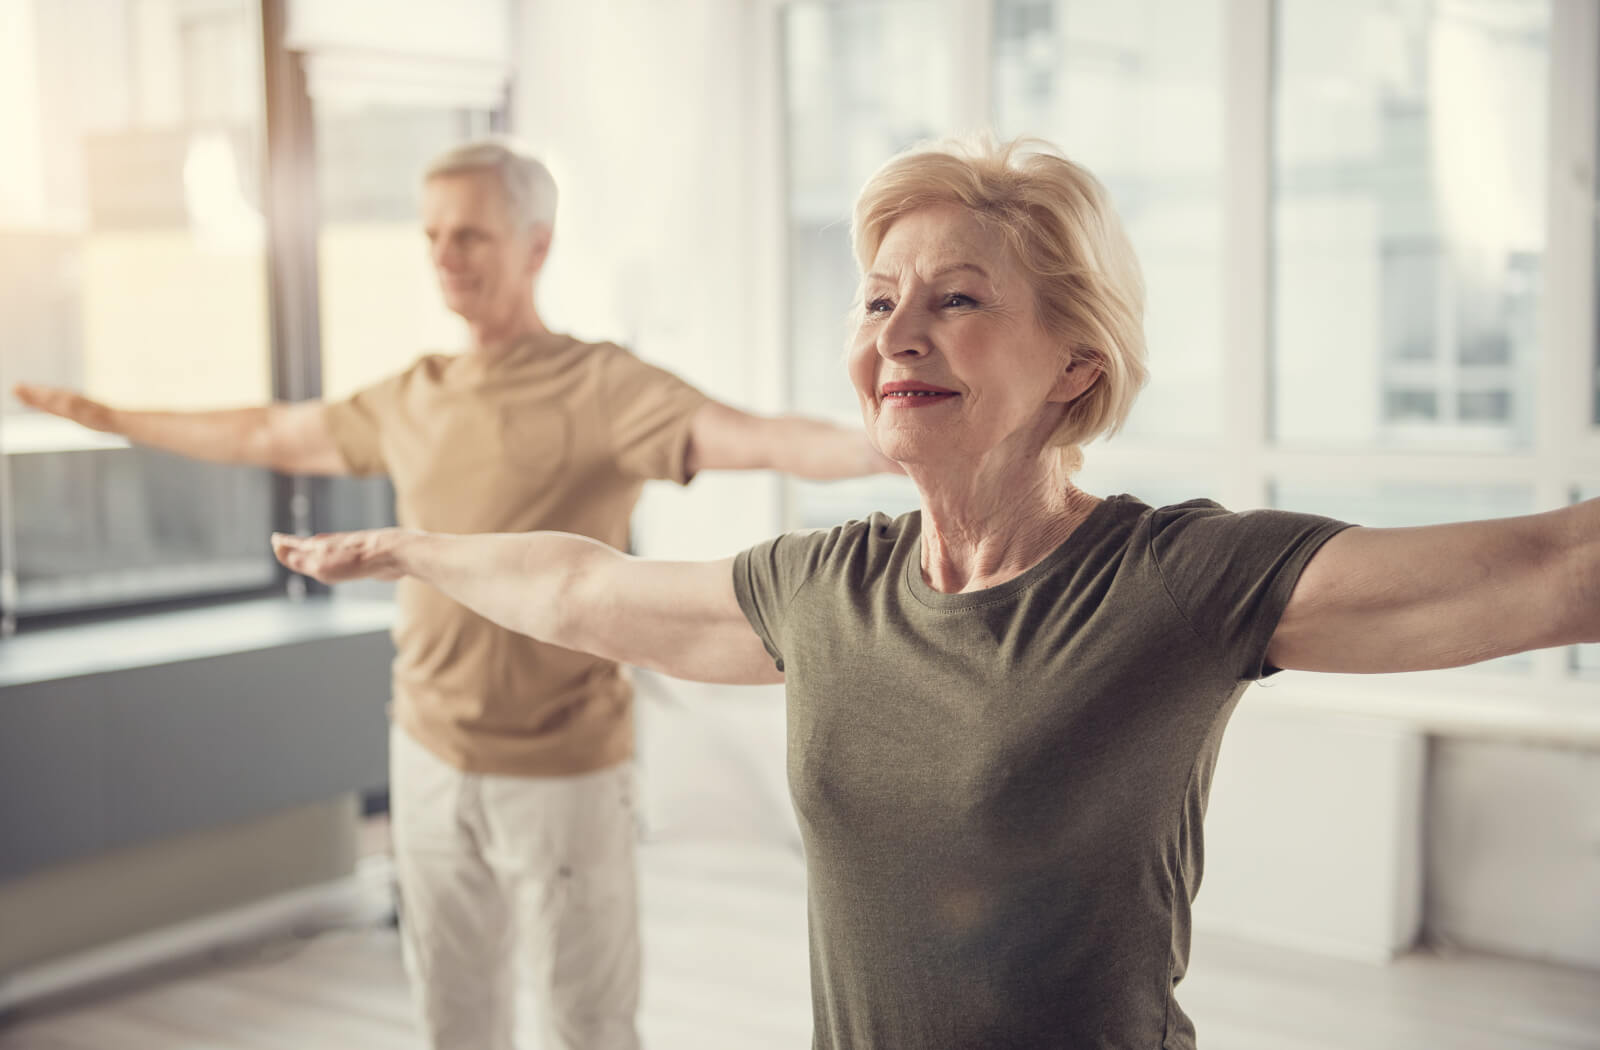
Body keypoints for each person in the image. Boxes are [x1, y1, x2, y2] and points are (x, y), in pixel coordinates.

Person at [272, 135, 1598, 1049]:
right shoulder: (826, 586)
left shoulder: (1171, 579)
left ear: (1077, 362)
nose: (897, 333)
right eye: (876, 300)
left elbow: (1555, 567)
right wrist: (412, 549)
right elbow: (585, 589)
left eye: (956, 299)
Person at [13, 138, 897, 1050]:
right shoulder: (413, 395)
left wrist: (891, 439)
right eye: (433, 234)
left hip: (562, 769)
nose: (445, 256)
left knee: (586, 1023)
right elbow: (266, 430)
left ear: (536, 246)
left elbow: (757, 437)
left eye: (470, 235)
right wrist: (110, 418)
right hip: (428, 753)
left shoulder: (602, 386)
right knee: (452, 1016)